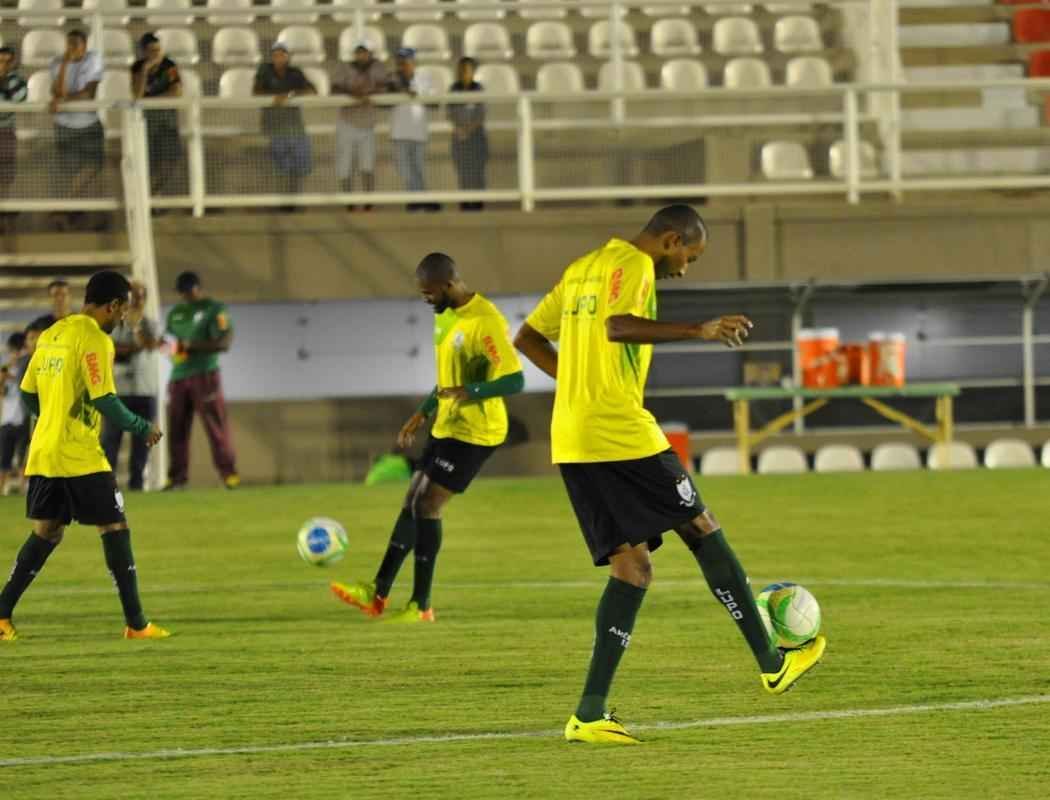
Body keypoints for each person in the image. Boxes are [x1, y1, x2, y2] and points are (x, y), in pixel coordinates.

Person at [513, 205, 826, 744]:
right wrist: (698, 329)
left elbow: (527, 339)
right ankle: (773, 662)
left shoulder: (582, 267)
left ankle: (589, 713)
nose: (684, 268)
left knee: (632, 569)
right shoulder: (633, 265)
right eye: (689, 256)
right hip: (619, 430)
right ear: (671, 239)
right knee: (701, 527)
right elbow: (617, 326)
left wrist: (578, 382)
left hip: (573, 436)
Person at [331, 252, 524, 623]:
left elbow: (514, 380)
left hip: (476, 433)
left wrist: (470, 392)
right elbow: (445, 380)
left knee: (427, 506)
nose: (426, 300)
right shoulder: (447, 317)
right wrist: (421, 412)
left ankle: (421, 605)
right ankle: (378, 592)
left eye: (429, 293)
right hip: (447, 425)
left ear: (450, 285)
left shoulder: (487, 322)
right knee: (412, 500)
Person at [0, 270, 170, 642]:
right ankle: (137, 624)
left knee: (47, 532)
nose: (122, 318)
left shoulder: (52, 333)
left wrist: (52, 418)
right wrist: (143, 427)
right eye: (122, 311)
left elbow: (28, 393)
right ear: (112, 306)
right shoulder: (94, 340)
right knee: (115, 527)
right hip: (80, 455)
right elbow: (104, 398)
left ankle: (1, 617)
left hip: (45, 450)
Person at [165, 271, 239, 490]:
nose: (187, 296)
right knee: (176, 429)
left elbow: (224, 342)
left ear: (198, 288)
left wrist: (191, 346)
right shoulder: (175, 313)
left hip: (205, 374)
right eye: (183, 293)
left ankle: (229, 475)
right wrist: (165, 347)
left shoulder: (215, 309)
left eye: (190, 291)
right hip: (178, 376)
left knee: (215, 426)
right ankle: (177, 478)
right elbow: (169, 344)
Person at [102, 281, 161, 491]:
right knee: (110, 442)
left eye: (141, 296)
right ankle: (107, 489)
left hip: (146, 391)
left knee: (141, 445)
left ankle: (137, 487)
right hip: (119, 392)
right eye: (133, 295)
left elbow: (151, 344)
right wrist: (131, 347)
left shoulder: (152, 324)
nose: (137, 300)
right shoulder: (114, 324)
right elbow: (109, 349)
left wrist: (136, 329)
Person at [49, 30, 105, 232]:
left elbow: (89, 93)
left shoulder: (94, 59)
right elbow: (57, 91)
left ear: (85, 45)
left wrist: (63, 100)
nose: (71, 48)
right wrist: (65, 64)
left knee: (94, 164)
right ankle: (72, 209)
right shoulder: (57, 62)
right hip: (64, 124)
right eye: (69, 43)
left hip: (89, 122)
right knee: (69, 171)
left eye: (75, 44)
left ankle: (65, 206)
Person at [253, 42, 316, 210]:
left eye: (282, 54)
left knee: (299, 166)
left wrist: (290, 95)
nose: (279, 58)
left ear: (287, 57)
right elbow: (256, 92)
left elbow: (311, 90)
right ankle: (282, 203)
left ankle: (294, 202)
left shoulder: (295, 73)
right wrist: (275, 97)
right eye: (275, 55)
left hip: (295, 126)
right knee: (281, 167)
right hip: (274, 126)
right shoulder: (265, 71)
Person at [332, 43, 386, 212]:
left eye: (365, 53)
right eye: (359, 53)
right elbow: (334, 88)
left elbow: (384, 86)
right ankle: (349, 202)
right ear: (355, 54)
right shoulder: (344, 67)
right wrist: (352, 93)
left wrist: (369, 93)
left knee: (367, 165)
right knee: (345, 164)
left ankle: (368, 201)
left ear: (370, 53)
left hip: (367, 124)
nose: (361, 56)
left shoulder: (378, 67)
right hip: (346, 122)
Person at [130, 32, 183, 196]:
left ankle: (154, 193)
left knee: (170, 162)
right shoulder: (137, 68)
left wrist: (151, 100)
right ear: (144, 52)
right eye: (152, 50)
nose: (157, 54)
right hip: (146, 123)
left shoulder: (170, 66)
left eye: (159, 50)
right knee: (148, 163)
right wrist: (145, 71)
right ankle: (147, 197)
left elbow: (177, 92)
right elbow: (137, 96)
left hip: (167, 121)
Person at [388, 48, 436, 211]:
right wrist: (401, 91)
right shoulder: (391, 80)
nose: (402, 65)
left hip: (418, 132)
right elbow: (384, 102)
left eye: (406, 61)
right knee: (404, 170)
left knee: (419, 168)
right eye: (400, 62)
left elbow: (435, 104)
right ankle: (422, 199)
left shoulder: (424, 79)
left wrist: (419, 94)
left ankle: (417, 201)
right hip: (399, 132)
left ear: (413, 62)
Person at [448, 57, 488, 212]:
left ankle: (478, 203)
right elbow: (450, 112)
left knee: (477, 171)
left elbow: (481, 114)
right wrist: (460, 129)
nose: (464, 73)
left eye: (467, 70)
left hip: (476, 137)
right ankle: (465, 202)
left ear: (473, 72)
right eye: (461, 70)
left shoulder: (478, 89)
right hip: (459, 138)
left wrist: (470, 129)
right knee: (463, 171)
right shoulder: (453, 89)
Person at [0, 45, 28, 235]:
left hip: (5, 131)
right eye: (1, 60)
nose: (3, 64)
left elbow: (17, 101)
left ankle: (2, 209)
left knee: (5, 174)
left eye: (7, 61)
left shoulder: (17, 81)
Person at [0, 333, 30, 496]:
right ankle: (1, 488)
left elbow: (22, 383)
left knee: (22, 456)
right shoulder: (6, 369)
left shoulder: (26, 366)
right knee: (4, 457)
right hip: (7, 420)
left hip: (22, 419)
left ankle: (22, 487)